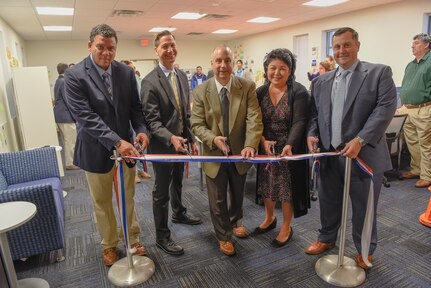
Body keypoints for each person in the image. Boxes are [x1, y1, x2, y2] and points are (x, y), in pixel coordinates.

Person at [306, 27, 397, 269]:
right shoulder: (321, 82)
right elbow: (315, 116)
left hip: (363, 156)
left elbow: (385, 109)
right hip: (329, 155)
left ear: (357, 45)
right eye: (337, 46)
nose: (341, 50)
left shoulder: (378, 73)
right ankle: (326, 238)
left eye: (347, 45)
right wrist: (312, 134)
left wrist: (360, 140)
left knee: (364, 208)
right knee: (328, 201)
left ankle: (365, 250)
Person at [64, 24, 149, 266]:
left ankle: (132, 239)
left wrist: (141, 131)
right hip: (94, 149)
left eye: (111, 48)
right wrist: (116, 141)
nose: (106, 53)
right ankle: (109, 244)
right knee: (102, 202)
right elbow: (85, 117)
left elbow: (135, 108)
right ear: (90, 45)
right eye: (101, 47)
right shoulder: (75, 75)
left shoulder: (125, 72)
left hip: (126, 152)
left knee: (128, 197)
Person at [191, 45, 263, 256]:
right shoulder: (200, 91)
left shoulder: (247, 86)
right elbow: (196, 124)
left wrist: (250, 144)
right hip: (213, 153)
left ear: (233, 62)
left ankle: (234, 221)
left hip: (241, 152)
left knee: (237, 192)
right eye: (218, 61)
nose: (223, 65)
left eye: (227, 60)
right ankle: (223, 235)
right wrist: (213, 139)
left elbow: (254, 118)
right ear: (211, 64)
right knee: (218, 198)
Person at [141, 30, 201, 256]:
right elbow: (152, 121)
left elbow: (186, 113)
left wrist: (191, 139)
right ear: (156, 50)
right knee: (161, 192)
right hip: (162, 146)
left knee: (178, 182)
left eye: (173, 45)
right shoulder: (149, 82)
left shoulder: (182, 76)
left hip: (182, 143)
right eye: (165, 46)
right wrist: (171, 138)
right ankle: (161, 236)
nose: (170, 50)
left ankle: (179, 212)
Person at [253, 48, 310, 247]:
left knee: (286, 190)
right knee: (267, 186)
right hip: (267, 148)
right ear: (266, 69)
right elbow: (254, 121)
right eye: (272, 68)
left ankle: (286, 226)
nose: (276, 73)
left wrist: (289, 145)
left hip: (289, 149)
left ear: (290, 70)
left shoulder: (299, 91)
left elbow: (300, 122)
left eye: (282, 69)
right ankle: (269, 219)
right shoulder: (259, 92)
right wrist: (261, 140)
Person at [398, 33, 431, 188]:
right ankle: (417, 169)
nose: (412, 46)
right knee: (412, 142)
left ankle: (427, 175)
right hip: (408, 109)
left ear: (426, 45)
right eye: (413, 43)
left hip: (424, 108)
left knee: (426, 144)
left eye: (416, 43)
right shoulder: (411, 65)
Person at [121, 60, 151, 183]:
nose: (132, 70)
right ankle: (133, 172)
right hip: (128, 119)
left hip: (139, 117)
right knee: (132, 145)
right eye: (130, 68)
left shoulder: (137, 79)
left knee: (140, 145)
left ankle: (140, 170)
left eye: (133, 68)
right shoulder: (121, 82)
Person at [53, 62, 79, 170]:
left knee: (66, 140)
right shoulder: (64, 82)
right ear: (67, 70)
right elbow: (68, 100)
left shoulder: (58, 81)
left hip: (59, 115)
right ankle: (70, 163)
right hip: (66, 116)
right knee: (71, 140)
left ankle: (69, 161)